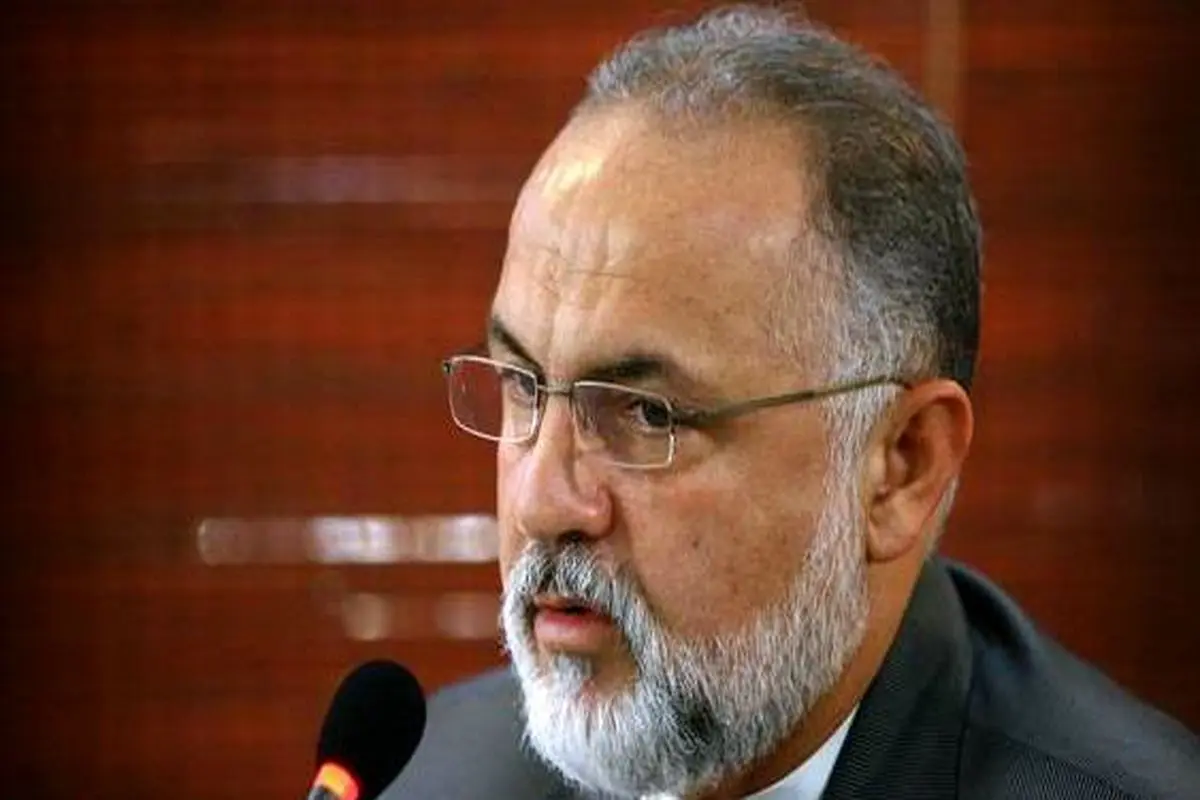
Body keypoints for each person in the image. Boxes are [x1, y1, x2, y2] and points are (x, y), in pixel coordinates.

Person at [384, 5, 1199, 798]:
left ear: (900, 466)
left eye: (647, 413)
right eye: (523, 385)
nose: (539, 501)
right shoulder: (428, 773)